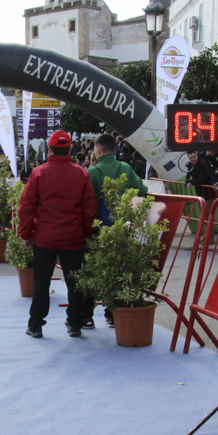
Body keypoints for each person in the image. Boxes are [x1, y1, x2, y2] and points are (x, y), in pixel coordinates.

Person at [18, 130, 97, 338]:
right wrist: (87, 231)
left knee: (41, 282)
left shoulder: (39, 173)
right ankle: (74, 323)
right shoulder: (81, 173)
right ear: (70, 149)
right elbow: (89, 208)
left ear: (50, 149)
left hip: (45, 237)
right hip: (73, 237)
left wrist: (26, 234)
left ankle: (35, 324)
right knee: (74, 282)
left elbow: (26, 206)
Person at [88, 133, 147, 326]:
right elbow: (142, 191)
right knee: (119, 269)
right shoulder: (125, 168)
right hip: (123, 228)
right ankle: (113, 313)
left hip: (98, 230)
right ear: (115, 149)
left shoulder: (93, 172)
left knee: (92, 270)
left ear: (97, 151)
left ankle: (86, 315)